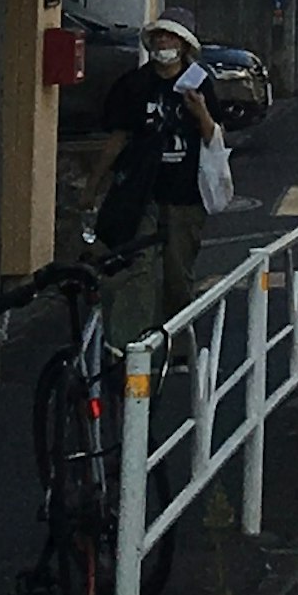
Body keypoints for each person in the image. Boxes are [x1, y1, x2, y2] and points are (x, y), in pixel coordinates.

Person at [82, 19, 228, 348]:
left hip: (186, 195)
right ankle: (134, 347)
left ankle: (176, 348)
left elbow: (213, 136)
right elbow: (117, 139)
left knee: (178, 275)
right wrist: (93, 185)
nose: (164, 43)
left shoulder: (199, 83)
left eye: (172, 37)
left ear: (184, 45)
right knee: (139, 269)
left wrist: (201, 110)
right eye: (159, 36)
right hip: (140, 193)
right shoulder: (134, 85)